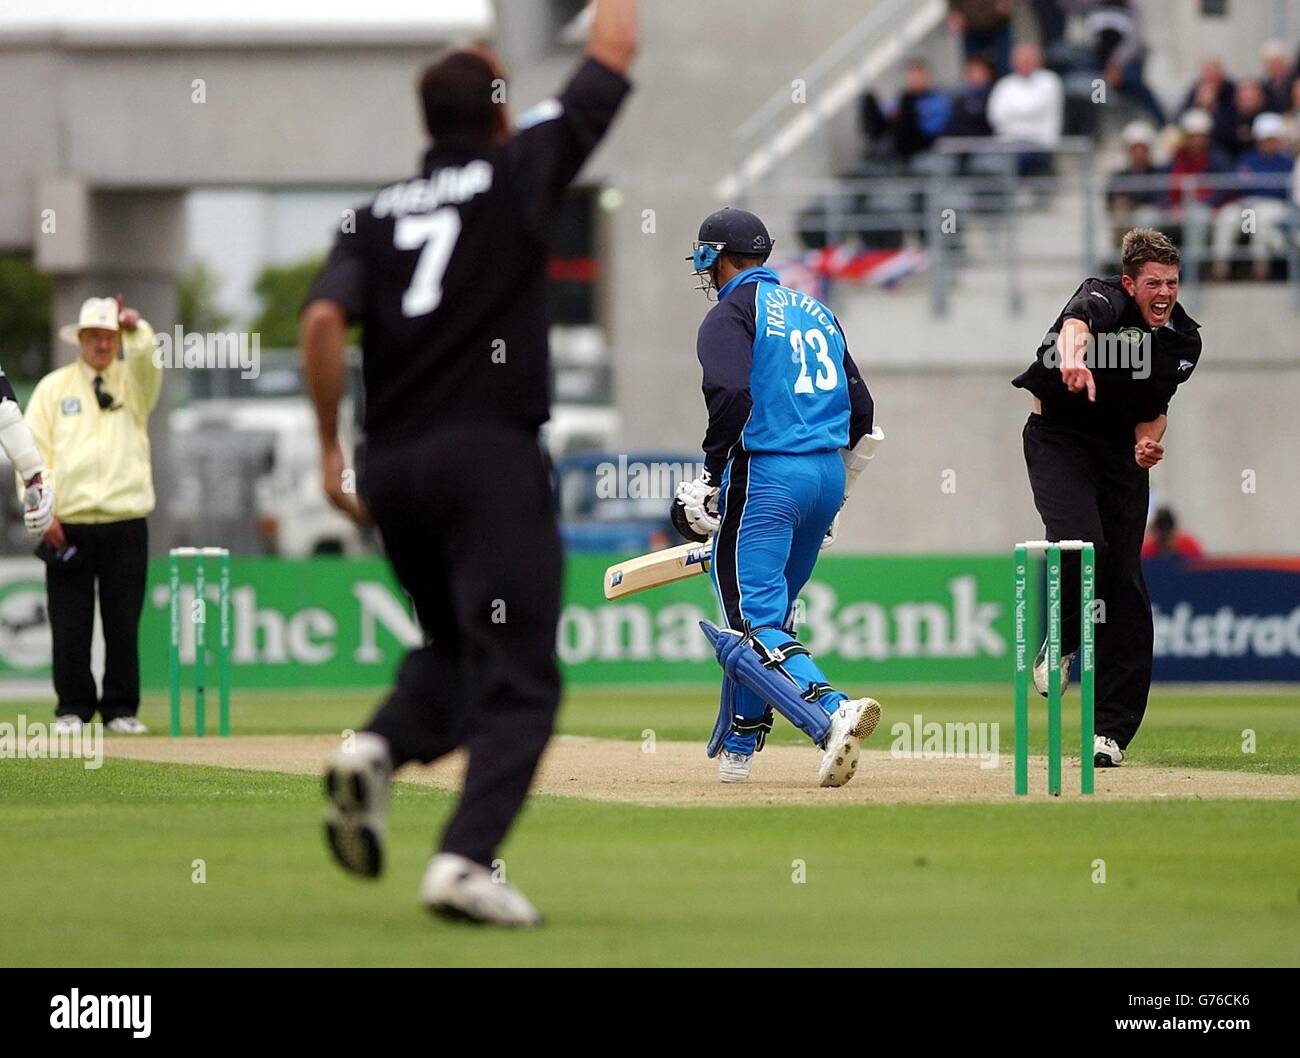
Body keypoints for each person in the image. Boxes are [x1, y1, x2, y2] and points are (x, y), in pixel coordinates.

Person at [300, 0, 636, 928]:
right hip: (487, 457)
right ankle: (461, 860)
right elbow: (614, 47)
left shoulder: (371, 216)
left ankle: (374, 749)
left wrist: (333, 450)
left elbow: (323, 322)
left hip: (395, 467)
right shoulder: (518, 171)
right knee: (523, 676)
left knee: (456, 650)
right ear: (498, 114)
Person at [674, 207, 883, 787]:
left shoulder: (731, 312)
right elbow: (863, 414)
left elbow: (728, 393)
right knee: (772, 617)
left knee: (749, 623)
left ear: (716, 256)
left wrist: (713, 477)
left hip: (767, 474)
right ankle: (740, 747)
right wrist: (835, 495)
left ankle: (830, 708)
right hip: (825, 476)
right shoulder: (818, 310)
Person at [1013, 228, 1201, 768]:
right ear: (1130, 282)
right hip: (1059, 441)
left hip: (1121, 454)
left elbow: (1155, 407)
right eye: (1153, 283)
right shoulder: (1104, 297)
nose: (1164, 293)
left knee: (1122, 581)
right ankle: (1064, 637)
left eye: (1171, 281)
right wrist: (1072, 360)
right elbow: (1075, 326)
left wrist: (1149, 442)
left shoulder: (1182, 339)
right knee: (1080, 543)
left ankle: (1110, 733)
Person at [24, 296, 162, 734]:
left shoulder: (134, 383)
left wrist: (137, 329)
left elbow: (148, 361)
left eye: (109, 336)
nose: (102, 344)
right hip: (69, 521)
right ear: (80, 339)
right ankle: (73, 709)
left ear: (118, 338)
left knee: (123, 621)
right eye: (94, 336)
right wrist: (43, 514)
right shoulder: (53, 388)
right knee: (70, 622)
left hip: (125, 518)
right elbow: (32, 454)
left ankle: (121, 710)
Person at [1211, 112, 1296, 280]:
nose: (1268, 143)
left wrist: (1258, 186)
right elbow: (1236, 186)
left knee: (1262, 219)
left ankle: (1259, 270)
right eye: (1264, 139)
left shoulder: (1287, 161)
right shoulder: (1248, 158)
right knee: (1227, 217)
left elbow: (1284, 191)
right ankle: (1220, 269)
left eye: (1271, 138)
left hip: (1275, 206)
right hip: (1246, 206)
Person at [987, 43, 1064, 176]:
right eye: (1020, 60)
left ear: (1038, 60)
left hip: (1040, 143)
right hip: (1007, 143)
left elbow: (1033, 109)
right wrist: (1021, 114)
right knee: (984, 161)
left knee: (1011, 161)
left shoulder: (1049, 80)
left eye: (1027, 60)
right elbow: (996, 115)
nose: (1023, 64)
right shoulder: (1005, 84)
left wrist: (1013, 114)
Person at [1106, 120, 1167, 232]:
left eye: (1142, 149)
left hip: (1153, 222)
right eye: (1135, 149)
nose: (1139, 153)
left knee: (1147, 217)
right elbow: (1110, 203)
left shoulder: (1159, 173)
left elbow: (1162, 200)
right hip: (1127, 226)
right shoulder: (1119, 177)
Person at [946, 0, 1015, 77]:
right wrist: (953, 11)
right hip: (970, 27)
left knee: (1006, 66)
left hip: (998, 23)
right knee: (976, 72)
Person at [946, 54, 997, 139]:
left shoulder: (996, 94)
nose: (975, 75)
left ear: (988, 73)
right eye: (971, 71)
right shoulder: (958, 97)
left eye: (979, 71)